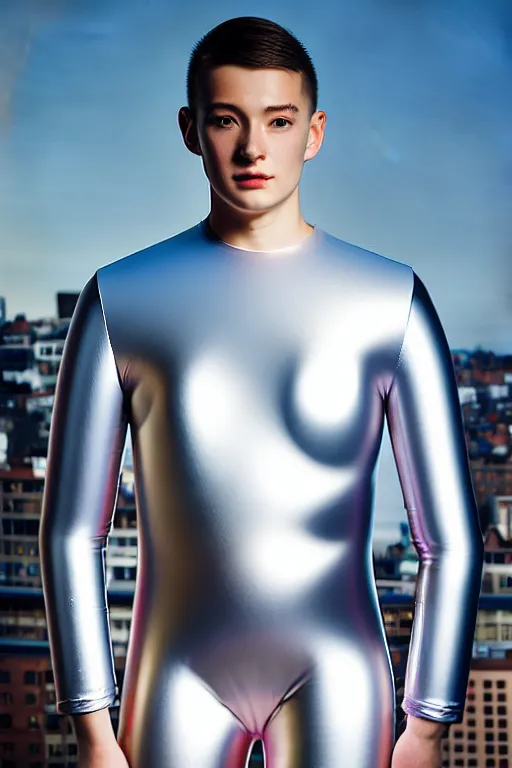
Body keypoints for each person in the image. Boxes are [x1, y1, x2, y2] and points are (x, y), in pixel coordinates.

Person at [38, 15, 485, 768]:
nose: (252, 149)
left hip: (338, 671)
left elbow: (451, 539)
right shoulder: (119, 299)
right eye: (226, 121)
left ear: (313, 132)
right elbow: (70, 533)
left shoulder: (390, 301)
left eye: (277, 122)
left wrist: (427, 725)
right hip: (174, 671)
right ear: (190, 129)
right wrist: (91, 728)